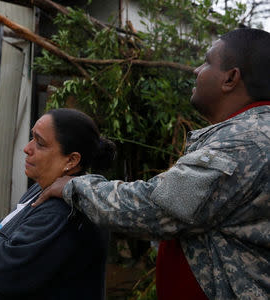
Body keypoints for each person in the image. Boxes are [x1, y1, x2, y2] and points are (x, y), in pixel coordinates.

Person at [33, 28, 270, 299]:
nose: (196, 70)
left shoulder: (244, 143)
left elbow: (155, 208)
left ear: (230, 78)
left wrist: (75, 187)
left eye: (206, 62)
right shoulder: (253, 134)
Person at [0, 108, 116, 300]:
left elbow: (3, 268)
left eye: (40, 143)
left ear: (71, 160)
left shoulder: (64, 210)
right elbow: (19, 243)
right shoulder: (45, 188)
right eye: (32, 137)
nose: (27, 148)